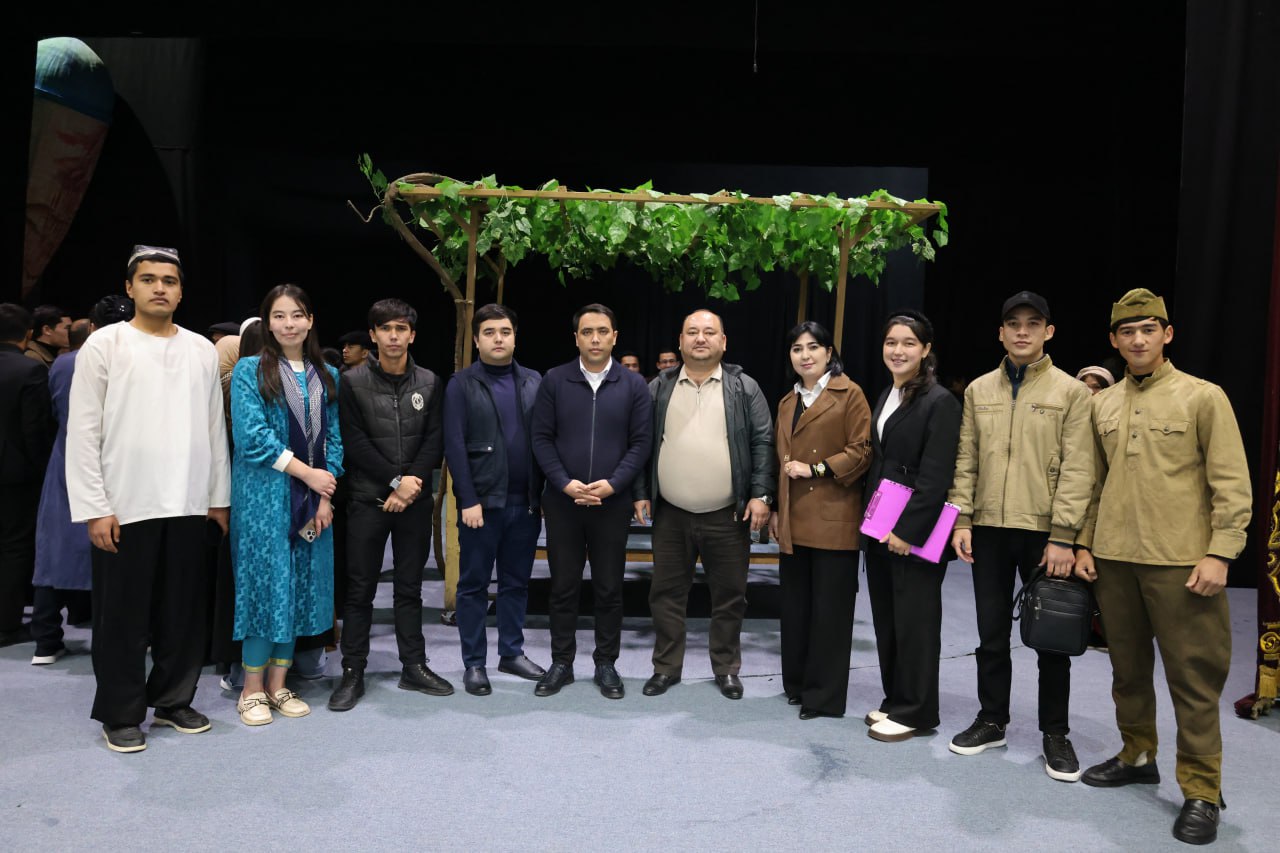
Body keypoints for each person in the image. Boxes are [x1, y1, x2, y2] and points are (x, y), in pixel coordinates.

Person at [1074, 288, 1251, 846]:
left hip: (1181, 562)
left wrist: (1221, 552)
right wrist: (1085, 543)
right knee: (1127, 671)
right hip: (1114, 559)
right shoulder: (1102, 404)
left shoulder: (1203, 397)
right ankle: (1137, 755)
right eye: (1127, 331)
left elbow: (1231, 483)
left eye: (1148, 329)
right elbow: (1094, 484)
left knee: (1193, 678)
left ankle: (1202, 790)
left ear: (1167, 334)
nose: (1138, 339)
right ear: (1114, 340)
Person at [66, 245, 231, 753]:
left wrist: (218, 498)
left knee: (182, 613)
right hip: (125, 503)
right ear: (130, 287)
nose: (160, 288)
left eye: (169, 281)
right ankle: (120, 712)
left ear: (181, 292)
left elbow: (214, 429)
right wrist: (95, 506)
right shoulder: (105, 344)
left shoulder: (200, 349)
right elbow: (83, 431)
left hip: (189, 501)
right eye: (149, 279)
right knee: (122, 617)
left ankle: (173, 700)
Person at [946, 291, 1095, 781]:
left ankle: (1055, 733)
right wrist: (962, 519)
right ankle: (992, 720)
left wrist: (1064, 536)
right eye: (1013, 323)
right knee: (990, 634)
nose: (1023, 331)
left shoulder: (1071, 392)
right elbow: (966, 459)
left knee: (1051, 638)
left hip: (1044, 533)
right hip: (989, 528)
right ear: (1001, 332)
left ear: (1049, 331)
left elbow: (1079, 469)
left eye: (1033, 323)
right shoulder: (978, 390)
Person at [635, 309, 775, 700]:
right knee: (665, 595)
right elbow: (641, 444)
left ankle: (726, 669)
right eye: (692, 332)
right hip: (671, 513)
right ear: (680, 342)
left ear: (723, 342)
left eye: (709, 332)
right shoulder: (658, 387)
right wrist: (641, 492)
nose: (701, 338)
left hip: (728, 515)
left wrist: (761, 494)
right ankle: (665, 667)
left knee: (729, 596)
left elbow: (763, 442)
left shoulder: (744, 387)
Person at [328, 298, 452, 711]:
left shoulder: (430, 381)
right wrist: (397, 482)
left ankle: (413, 666)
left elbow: (434, 437)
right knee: (360, 590)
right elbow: (354, 441)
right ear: (374, 335)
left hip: (414, 501)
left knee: (409, 589)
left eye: (401, 329)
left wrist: (411, 484)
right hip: (368, 499)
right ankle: (353, 671)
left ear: (412, 335)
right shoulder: (351, 382)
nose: (394, 336)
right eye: (386, 329)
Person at [230, 284, 343, 726]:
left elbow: (334, 439)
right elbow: (252, 437)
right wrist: (307, 475)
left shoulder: (326, 374)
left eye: (297, 315)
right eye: (279, 316)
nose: (289, 324)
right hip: (264, 499)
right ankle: (251, 689)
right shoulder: (250, 369)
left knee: (298, 589)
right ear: (267, 323)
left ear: (310, 321)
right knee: (266, 588)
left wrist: (324, 494)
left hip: (314, 502)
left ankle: (278, 685)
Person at [530, 303, 652, 699]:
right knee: (563, 587)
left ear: (614, 336)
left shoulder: (633, 385)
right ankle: (561, 662)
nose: (595, 339)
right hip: (563, 502)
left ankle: (606, 663)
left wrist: (613, 485)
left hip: (610, 504)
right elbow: (541, 438)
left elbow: (641, 443)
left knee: (609, 588)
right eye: (587, 332)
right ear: (576, 338)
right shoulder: (555, 380)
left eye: (602, 331)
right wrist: (564, 484)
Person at [862, 311, 961, 742]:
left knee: (915, 624)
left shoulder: (940, 402)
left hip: (912, 535)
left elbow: (936, 477)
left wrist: (907, 531)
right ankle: (896, 699)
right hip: (879, 529)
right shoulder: (888, 392)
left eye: (908, 343)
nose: (898, 350)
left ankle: (917, 711)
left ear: (926, 349)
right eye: (891, 342)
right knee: (888, 620)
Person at [767, 321, 871, 720]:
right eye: (797, 348)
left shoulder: (850, 393)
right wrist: (777, 509)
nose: (805, 355)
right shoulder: (787, 401)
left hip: (834, 519)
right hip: (793, 520)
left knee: (830, 613)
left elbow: (861, 451)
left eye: (813, 347)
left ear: (829, 353)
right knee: (796, 610)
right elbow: (779, 462)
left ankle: (823, 697)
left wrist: (816, 469)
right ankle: (796, 684)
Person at [445, 303, 548, 696]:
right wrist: (467, 498)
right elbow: (455, 445)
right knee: (473, 586)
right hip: (481, 505)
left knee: (516, 583)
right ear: (476, 340)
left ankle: (511, 652)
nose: (498, 338)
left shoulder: (534, 381)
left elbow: (545, 439)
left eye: (505, 331)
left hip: (526, 504)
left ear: (515, 337)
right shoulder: (461, 384)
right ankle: (474, 662)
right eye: (489, 332)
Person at [30, 295, 134, 664]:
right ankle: (123, 636)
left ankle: (45, 639)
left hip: (67, 457)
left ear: (91, 326)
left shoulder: (63, 363)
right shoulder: (131, 358)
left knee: (56, 549)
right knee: (120, 553)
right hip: (119, 462)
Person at [0, 304, 55, 648]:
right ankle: (7, 624)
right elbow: (35, 430)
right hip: (15, 474)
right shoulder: (30, 370)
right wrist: (43, 469)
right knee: (15, 547)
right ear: (29, 334)